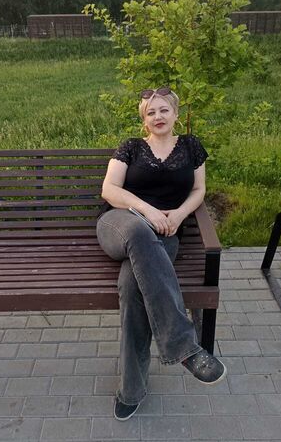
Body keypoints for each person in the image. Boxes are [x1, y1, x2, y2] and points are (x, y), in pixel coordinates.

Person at [96, 86, 226, 421]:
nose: (157, 116)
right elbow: (109, 189)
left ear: (176, 114)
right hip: (119, 224)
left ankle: (131, 390)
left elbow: (199, 190)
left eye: (164, 110)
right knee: (139, 230)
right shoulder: (131, 147)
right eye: (150, 112)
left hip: (166, 232)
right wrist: (147, 211)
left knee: (131, 289)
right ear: (144, 119)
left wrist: (179, 215)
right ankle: (184, 346)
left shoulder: (191, 146)